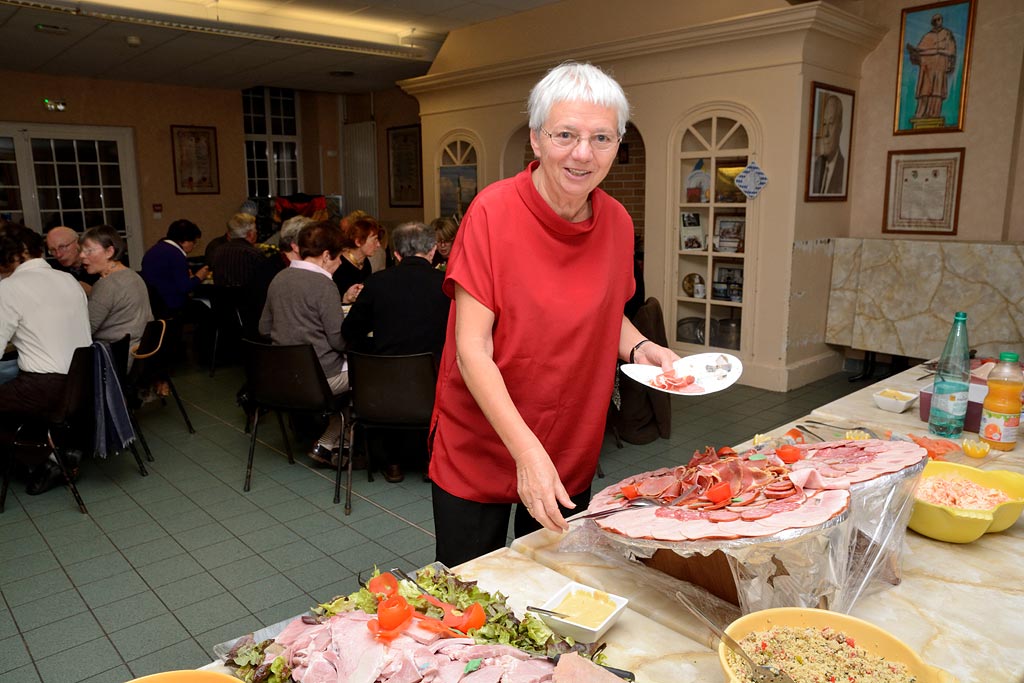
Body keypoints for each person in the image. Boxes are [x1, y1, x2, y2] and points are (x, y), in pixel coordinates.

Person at [429, 61, 678, 566]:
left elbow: (607, 314)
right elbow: (472, 349)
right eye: (565, 134)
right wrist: (526, 452)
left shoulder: (617, 222)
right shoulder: (492, 212)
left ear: (617, 144)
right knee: (472, 592)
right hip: (483, 440)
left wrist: (642, 347)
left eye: (601, 138)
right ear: (537, 141)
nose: (582, 153)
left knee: (553, 587)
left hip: (569, 440)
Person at [341, 221, 450, 483]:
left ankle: (392, 463)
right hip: (434, 385)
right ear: (433, 250)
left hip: (383, 388)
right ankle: (430, 462)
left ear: (397, 254)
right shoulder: (446, 285)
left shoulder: (377, 283)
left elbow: (350, 331)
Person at [0, 222, 92, 494]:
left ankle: (41, 458)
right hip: (83, 383)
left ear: (14, 255)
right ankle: (56, 450)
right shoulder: (68, 280)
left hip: (45, 388)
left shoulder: (10, 287)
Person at [259, 221, 349, 466]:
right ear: (326, 255)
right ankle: (330, 442)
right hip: (320, 379)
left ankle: (343, 441)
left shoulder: (279, 278)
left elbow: (263, 328)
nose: (341, 263)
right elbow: (338, 340)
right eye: (339, 256)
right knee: (369, 377)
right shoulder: (324, 285)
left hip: (282, 378)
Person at [79, 225, 153, 370]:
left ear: (109, 251)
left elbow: (86, 330)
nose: (81, 255)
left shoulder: (107, 285)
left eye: (88, 250)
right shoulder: (132, 275)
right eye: (81, 250)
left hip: (114, 360)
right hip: (140, 353)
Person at [141, 219, 209, 317]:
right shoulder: (176, 255)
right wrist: (199, 277)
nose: (194, 246)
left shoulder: (153, 250)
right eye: (194, 242)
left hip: (154, 304)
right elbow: (184, 288)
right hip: (172, 305)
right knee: (206, 310)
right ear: (185, 241)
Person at [906, 12, 957, 120]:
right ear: (932, 22)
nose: (938, 21)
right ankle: (921, 113)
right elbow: (919, 51)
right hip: (927, 68)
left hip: (940, 68)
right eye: (936, 20)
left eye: (939, 19)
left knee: (937, 92)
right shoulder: (928, 36)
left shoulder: (947, 34)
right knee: (925, 91)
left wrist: (939, 51)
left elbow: (951, 52)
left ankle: (934, 114)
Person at [333, 214, 382, 304]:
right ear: (358, 242)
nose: (378, 245)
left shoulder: (365, 263)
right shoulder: (339, 265)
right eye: (374, 240)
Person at [45, 226, 99, 292]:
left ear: (78, 243)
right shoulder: (52, 271)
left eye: (62, 247)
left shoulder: (98, 265)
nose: (58, 255)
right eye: (53, 250)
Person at [811, 94, 845, 196]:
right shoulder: (816, 165)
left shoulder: (843, 169)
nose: (825, 133)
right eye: (824, 124)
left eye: (831, 123)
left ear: (840, 127)